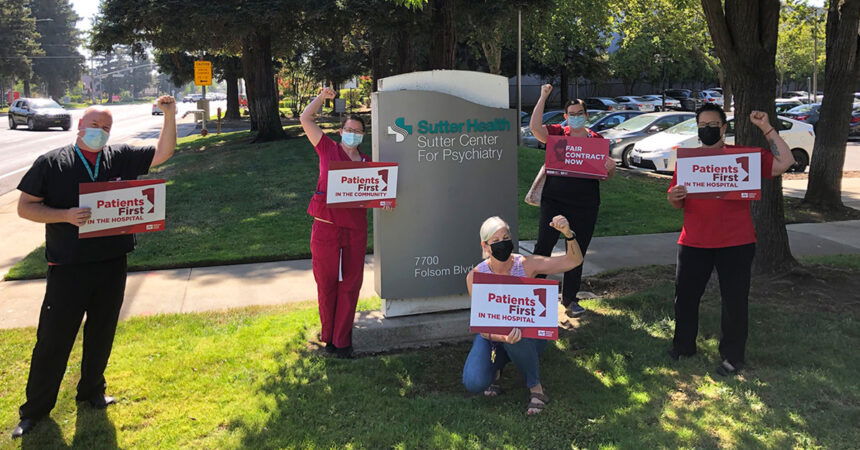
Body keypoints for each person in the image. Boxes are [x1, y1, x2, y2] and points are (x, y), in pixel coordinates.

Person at [12, 97, 178, 438]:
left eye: (106, 128)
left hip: (112, 262)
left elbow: (163, 153)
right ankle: (34, 411)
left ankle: (92, 392)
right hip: (68, 265)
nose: (99, 133)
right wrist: (64, 216)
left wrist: (170, 116)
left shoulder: (119, 156)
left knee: (102, 332)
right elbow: (26, 207)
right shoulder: (51, 163)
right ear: (79, 127)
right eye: (94, 126)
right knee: (53, 339)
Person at [666, 103, 796, 376]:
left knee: (735, 301)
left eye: (713, 125)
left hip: (736, 243)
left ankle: (732, 356)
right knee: (686, 298)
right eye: (703, 126)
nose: (708, 130)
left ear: (724, 128)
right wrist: (674, 197)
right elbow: (676, 201)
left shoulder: (744, 157)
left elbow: (785, 162)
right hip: (693, 242)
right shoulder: (688, 161)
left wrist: (767, 128)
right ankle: (683, 347)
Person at [462, 215, 583, 415]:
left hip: (528, 335)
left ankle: (536, 389)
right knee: (474, 382)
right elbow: (481, 326)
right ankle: (498, 366)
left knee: (516, 338)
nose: (503, 243)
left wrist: (568, 234)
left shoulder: (526, 264)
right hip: (493, 336)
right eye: (496, 240)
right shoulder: (476, 276)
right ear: (485, 246)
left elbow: (574, 260)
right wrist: (501, 337)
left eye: (506, 237)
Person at [300, 87, 382, 359]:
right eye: (349, 129)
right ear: (340, 131)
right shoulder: (327, 148)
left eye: (358, 131)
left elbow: (378, 191)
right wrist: (322, 98)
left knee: (350, 283)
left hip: (355, 229)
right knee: (325, 282)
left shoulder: (368, 163)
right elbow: (305, 119)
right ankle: (328, 336)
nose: (353, 134)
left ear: (362, 136)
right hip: (325, 226)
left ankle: (342, 340)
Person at [529, 84, 615, 318]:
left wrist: (611, 168)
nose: (576, 118)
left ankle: (570, 299)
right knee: (543, 248)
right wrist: (543, 96)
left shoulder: (597, 140)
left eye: (580, 114)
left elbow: (605, 175)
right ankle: (533, 297)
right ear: (565, 116)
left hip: (586, 204)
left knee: (576, 250)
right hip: (554, 201)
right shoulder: (557, 134)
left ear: (586, 116)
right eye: (571, 114)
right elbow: (535, 128)